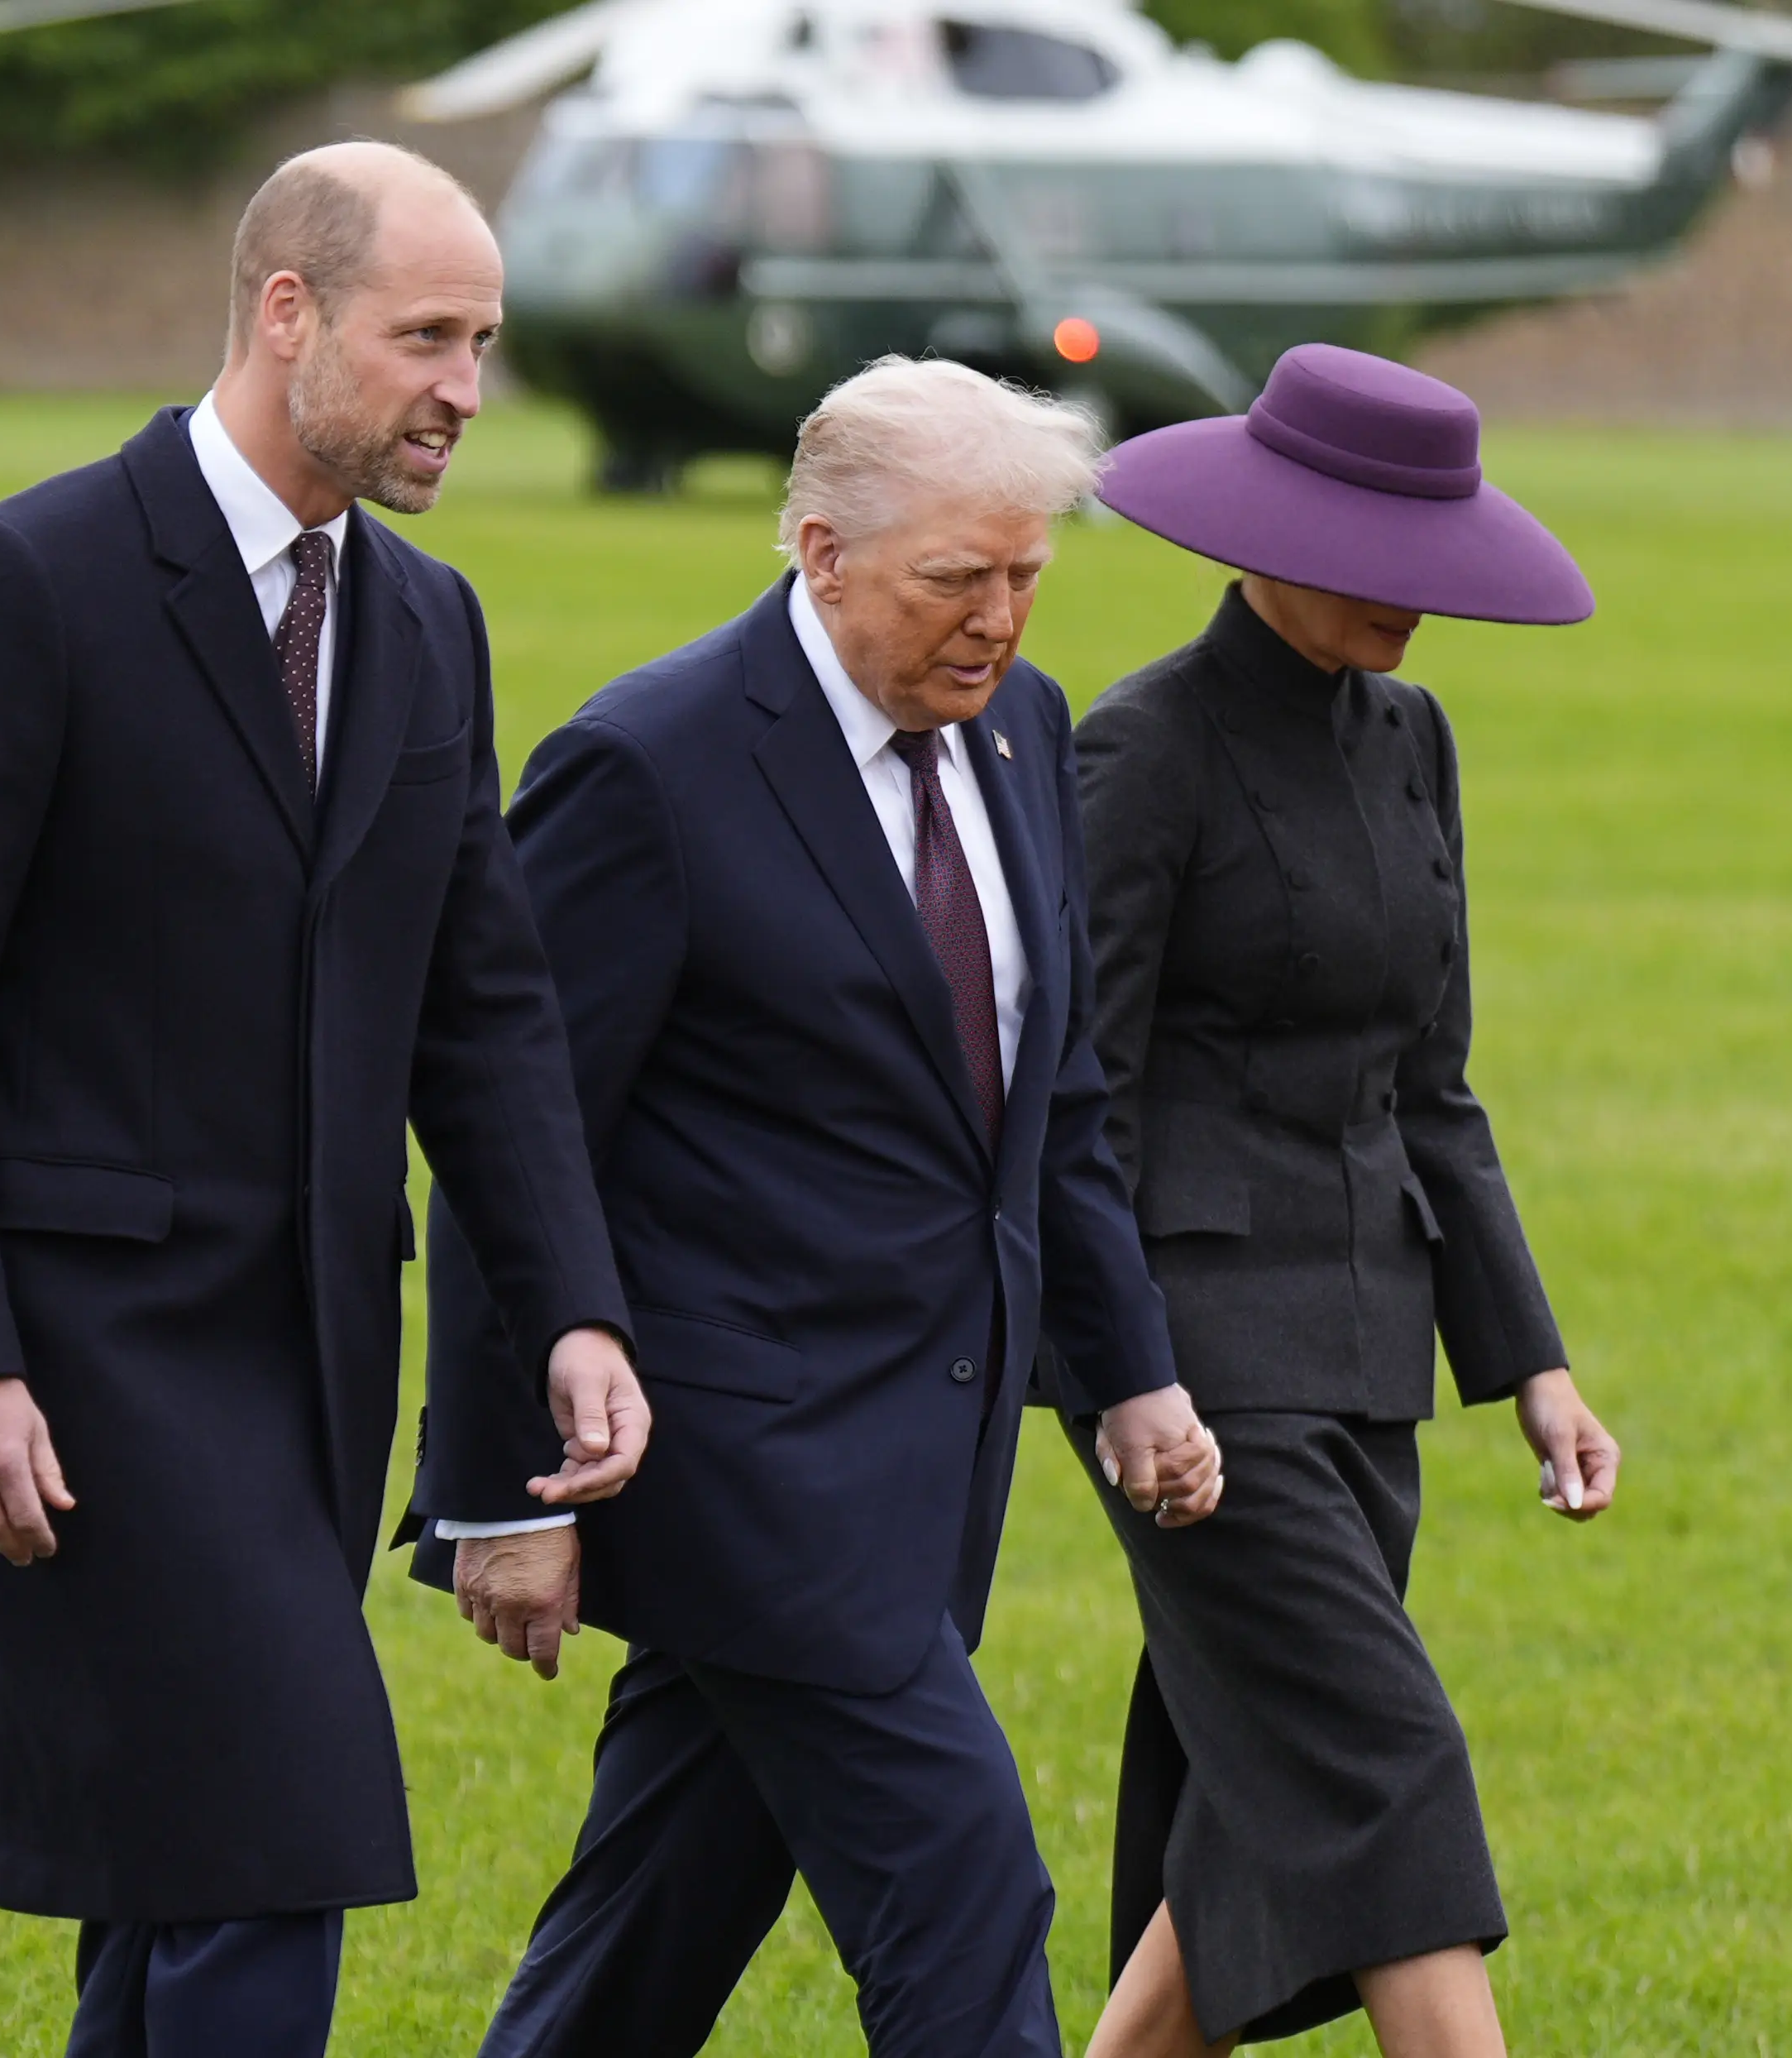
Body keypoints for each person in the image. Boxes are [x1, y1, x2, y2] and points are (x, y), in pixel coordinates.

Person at [0, 141, 649, 2058]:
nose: (467, 386)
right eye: (425, 336)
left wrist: (576, 1311)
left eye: (484, 341)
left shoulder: (430, 623)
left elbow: (489, 1017)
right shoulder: (20, 580)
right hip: (84, 1364)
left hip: (312, 1372)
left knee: (179, 1879)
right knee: (284, 1832)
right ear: (286, 314)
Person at [409, 357, 1226, 2058]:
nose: (995, 619)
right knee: (967, 1882)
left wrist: (1129, 1368)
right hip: (738, 1462)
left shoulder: (1021, 726)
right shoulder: (648, 763)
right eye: (953, 579)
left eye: (1024, 575)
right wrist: (502, 1488)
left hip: (928, 1457)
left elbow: (1046, 1097)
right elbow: (515, 1136)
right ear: (820, 550)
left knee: (662, 1903)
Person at [1064, 342, 1625, 2058]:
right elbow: (1067, 1098)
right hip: (1202, 1369)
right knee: (1383, 1762)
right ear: (1266, 526)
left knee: (1252, 1806)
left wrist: (1530, 1360)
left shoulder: (1411, 738)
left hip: (1372, 1350)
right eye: (1377, 561)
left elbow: (1432, 1084)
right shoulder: (1141, 749)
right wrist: (1118, 1366)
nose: (1415, 604)